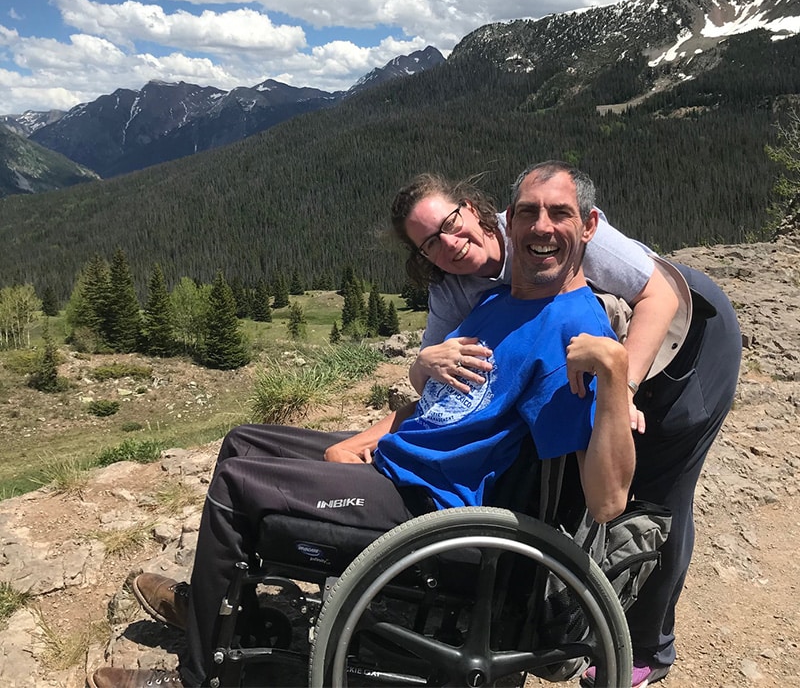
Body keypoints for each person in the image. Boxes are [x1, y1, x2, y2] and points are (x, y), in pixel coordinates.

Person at [88, 163, 634, 688]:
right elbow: (440, 407)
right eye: (528, 213)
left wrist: (615, 378)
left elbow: (607, 502)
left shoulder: (573, 333)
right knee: (243, 442)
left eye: (559, 213)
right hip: (399, 464)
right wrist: (363, 440)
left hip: (430, 506)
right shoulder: (500, 300)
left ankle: (198, 675)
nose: (541, 227)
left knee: (238, 485)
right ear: (507, 222)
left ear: (587, 225)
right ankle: (224, 610)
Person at [389, 164, 742, 688]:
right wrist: (422, 365)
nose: (449, 243)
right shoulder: (456, 291)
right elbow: (443, 385)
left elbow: (661, 295)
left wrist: (621, 390)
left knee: (658, 495)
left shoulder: (553, 232)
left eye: (451, 222)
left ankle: (646, 647)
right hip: (602, 353)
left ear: (478, 211)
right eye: (428, 244)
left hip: (685, 342)